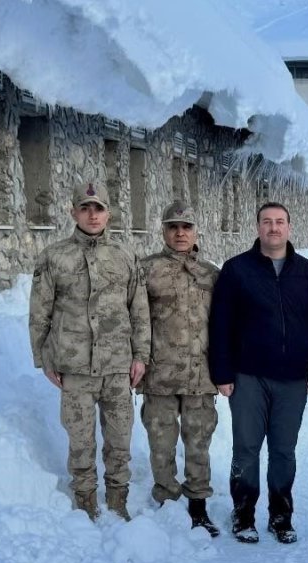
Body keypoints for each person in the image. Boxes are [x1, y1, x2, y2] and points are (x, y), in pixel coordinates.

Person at [208, 201, 308, 544]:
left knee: (283, 449)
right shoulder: (236, 271)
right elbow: (220, 325)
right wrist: (222, 372)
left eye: (279, 222)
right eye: (267, 222)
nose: (273, 228)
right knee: (246, 447)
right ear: (257, 227)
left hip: (292, 378)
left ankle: (281, 515)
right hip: (248, 375)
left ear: (289, 228)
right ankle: (244, 513)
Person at [29, 181, 150, 521]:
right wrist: (44, 359)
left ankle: (118, 500)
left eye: (98, 208)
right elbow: (40, 311)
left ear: (108, 213)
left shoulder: (125, 255)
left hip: (116, 365)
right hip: (75, 365)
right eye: (85, 208)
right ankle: (85, 502)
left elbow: (138, 309)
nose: (92, 214)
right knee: (80, 441)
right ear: (73, 212)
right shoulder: (54, 257)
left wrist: (141, 355)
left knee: (119, 440)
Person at [138, 200, 221, 536]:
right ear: (164, 231)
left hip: (201, 375)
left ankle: (199, 505)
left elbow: (225, 323)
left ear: (195, 231)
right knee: (161, 442)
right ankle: (167, 502)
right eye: (173, 227)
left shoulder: (212, 274)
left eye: (186, 226)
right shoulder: (145, 270)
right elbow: (136, 319)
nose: (180, 233)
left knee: (199, 442)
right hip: (159, 374)